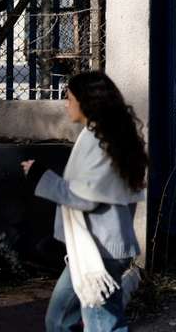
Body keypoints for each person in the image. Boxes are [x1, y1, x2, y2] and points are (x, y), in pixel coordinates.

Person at [22, 71, 146, 332]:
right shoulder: (103, 136)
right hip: (95, 249)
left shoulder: (99, 140)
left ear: (86, 102)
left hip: (99, 252)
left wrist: (39, 176)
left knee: (101, 325)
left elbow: (85, 197)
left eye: (69, 98)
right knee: (60, 319)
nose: (66, 104)